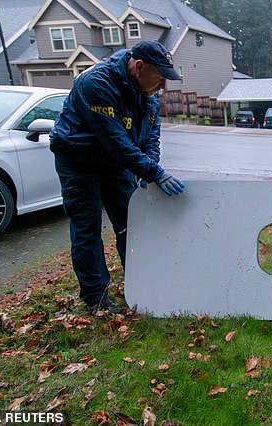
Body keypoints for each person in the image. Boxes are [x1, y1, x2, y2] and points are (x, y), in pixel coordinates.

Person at [50, 40, 185, 315]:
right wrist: (153, 172)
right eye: (159, 79)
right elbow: (115, 140)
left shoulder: (148, 94)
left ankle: (141, 283)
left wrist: (151, 167)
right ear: (138, 67)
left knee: (131, 224)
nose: (162, 87)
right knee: (87, 228)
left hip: (116, 162)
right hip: (79, 159)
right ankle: (96, 298)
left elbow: (150, 137)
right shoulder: (96, 83)